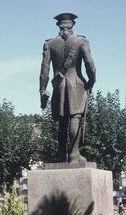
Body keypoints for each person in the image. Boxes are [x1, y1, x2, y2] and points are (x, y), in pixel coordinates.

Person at [39, 12, 96, 163]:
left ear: (59, 25)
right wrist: (92, 81)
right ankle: (74, 154)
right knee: (75, 117)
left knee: (62, 122)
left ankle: (60, 155)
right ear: (72, 25)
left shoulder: (50, 44)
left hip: (59, 86)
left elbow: (44, 70)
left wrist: (42, 90)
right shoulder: (81, 41)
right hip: (76, 84)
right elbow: (90, 65)